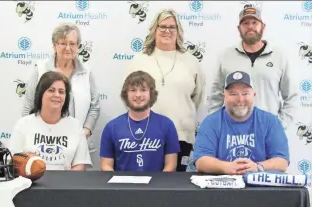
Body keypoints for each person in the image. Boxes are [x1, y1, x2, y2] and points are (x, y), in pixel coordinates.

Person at [125, 9, 206, 171]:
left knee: (176, 190)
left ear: (178, 31)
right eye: (162, 27)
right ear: (155, 30)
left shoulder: (191, 62)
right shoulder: (139, 60)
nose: (167, 31)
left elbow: (198, 97)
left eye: (172, 27)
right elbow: (128, 97)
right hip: (145, 135)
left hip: (181, 136)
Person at [209, 4, 297, 130]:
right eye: (245, 23)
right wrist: (217, 126)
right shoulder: (225, 57)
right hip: (233, 133)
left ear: (263, 26)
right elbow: (215, 96)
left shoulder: (280, 57)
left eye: (254, 22)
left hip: (267, 133)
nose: (250, 26)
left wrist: (279, 126)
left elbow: (292, 97)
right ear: (239, 28)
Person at [22, 23, 100, 153]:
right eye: (63, 43)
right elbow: (28, 107)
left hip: (77, 145)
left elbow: (95, 106)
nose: (68, 48)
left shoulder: (86, 72)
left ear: (78, 46)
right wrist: (31, 136)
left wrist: (85, 131)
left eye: (72, 43)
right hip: (43, 144)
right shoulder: (40, 70)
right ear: (54, 46)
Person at [193, 71, 289, 175]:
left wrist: (257, 166)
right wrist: (227, 167)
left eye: (245, 93)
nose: (240, 99)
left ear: (254, 95)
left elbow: (282, 161)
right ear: (224, 97)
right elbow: (201, 160)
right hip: (221, 187)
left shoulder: (270, 122)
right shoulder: (211, 122)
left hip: (260, 187)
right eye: (233, 94)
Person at [9, 71, 92, 171]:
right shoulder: (23, 124)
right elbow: (13, 162)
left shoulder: (75, 126)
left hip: (65, 184)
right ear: (41, 94)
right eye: (51, 90)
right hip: (30, 183)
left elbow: (80, 164)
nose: (57, 95)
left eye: (61, 92)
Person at [100, 71, 180, 172]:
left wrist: (158, 186)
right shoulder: (112, 127)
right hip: (122, 186)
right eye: (133, 90)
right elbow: (106, 165)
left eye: (143, 90)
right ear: (126, 94)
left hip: (156, 186)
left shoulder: (167, 125)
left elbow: (171, 165)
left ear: (151, 93)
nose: (138, 95)